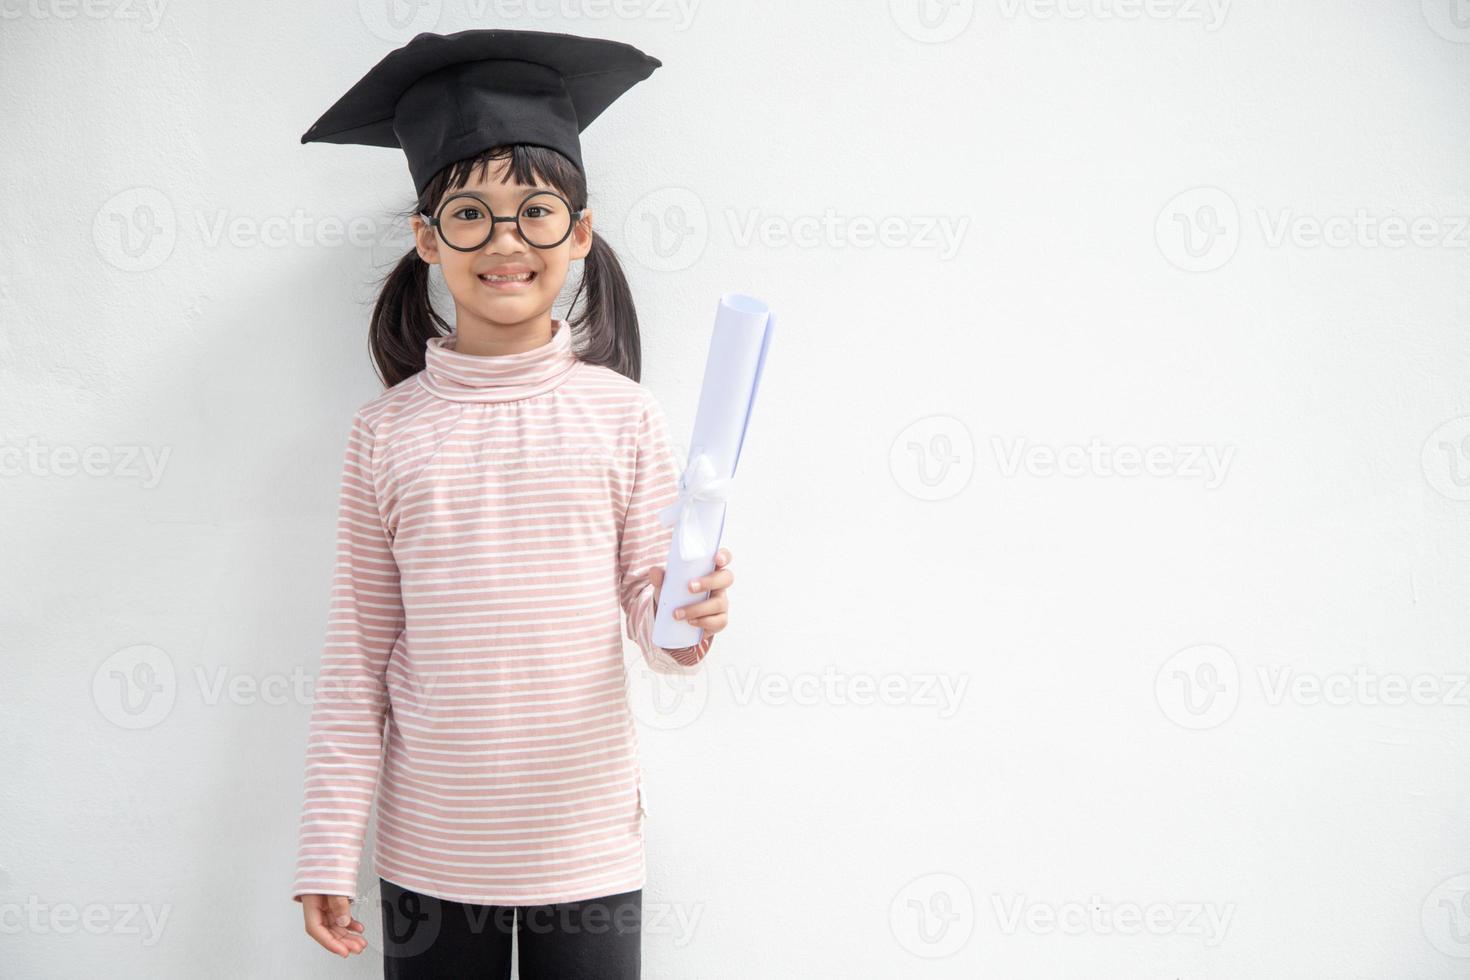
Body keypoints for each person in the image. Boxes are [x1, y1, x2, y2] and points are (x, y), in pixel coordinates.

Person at [288, 29, 735, 979]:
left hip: (586, 841)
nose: (503, 242)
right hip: (433, 850)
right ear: (425, 239)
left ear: (577, 232)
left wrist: (687, 615)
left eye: (535, 213)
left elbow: (653, 628)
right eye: (469, 216)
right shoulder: (386, 435)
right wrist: (328, 845)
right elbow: (359, 655)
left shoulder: (625, 418)